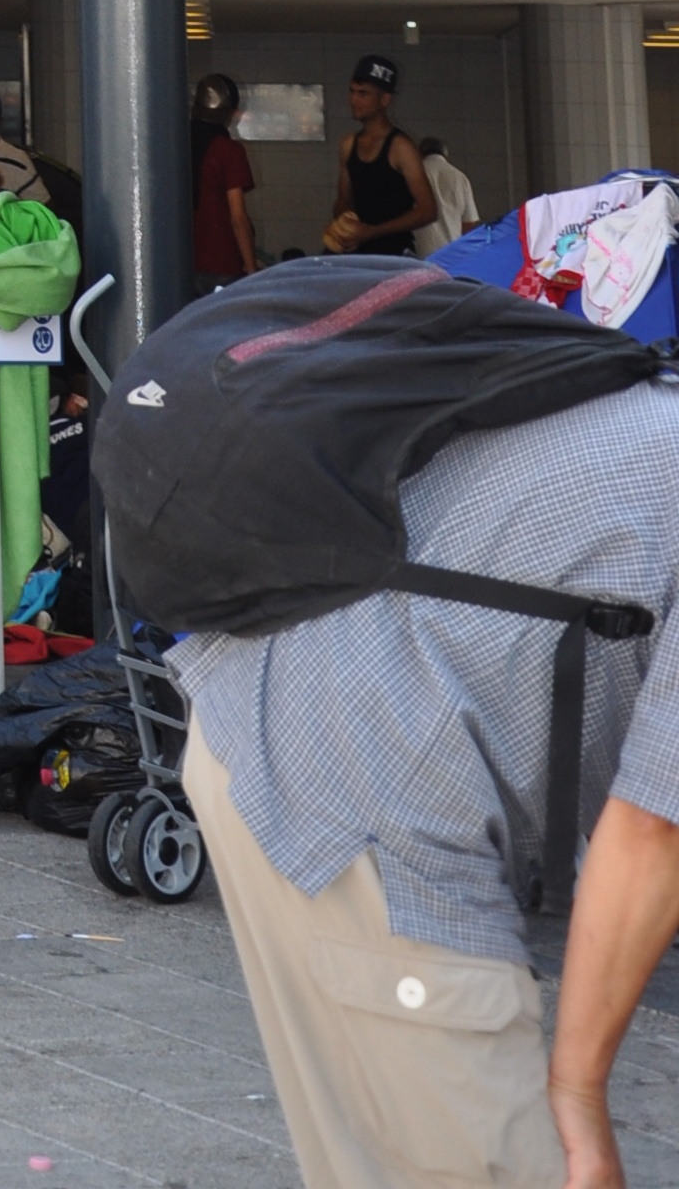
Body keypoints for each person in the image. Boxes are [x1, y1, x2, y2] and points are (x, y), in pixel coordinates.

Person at [174, 365, 679, 1189]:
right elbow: (654, 830)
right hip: (359, 793)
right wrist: (578, 1090)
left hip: (264, 713)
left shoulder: (652, 405)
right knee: (521, 1167)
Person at [324, 55, 436, 257]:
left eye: (363, 94)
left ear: (384, 99)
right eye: (352, 91)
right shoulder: (348, 145)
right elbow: (343, 202)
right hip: (358, 251)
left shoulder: (401, 147)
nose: (353, 100)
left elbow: (428, 211)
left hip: (393, 253)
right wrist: (343, 228)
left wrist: (372, 232)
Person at [192, 71, 261, 282]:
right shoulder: (229, 150)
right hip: (221, 262)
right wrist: (251, 271)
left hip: (180, 261)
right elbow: (238, 217)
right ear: (230, 113)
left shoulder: (175, 146)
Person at [416, 135, 483, 257]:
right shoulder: (460, 178)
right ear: (445, 155)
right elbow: (468, 224)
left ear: (420, 154)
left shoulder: (412, 176)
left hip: (419, 254)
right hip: (450, 255)